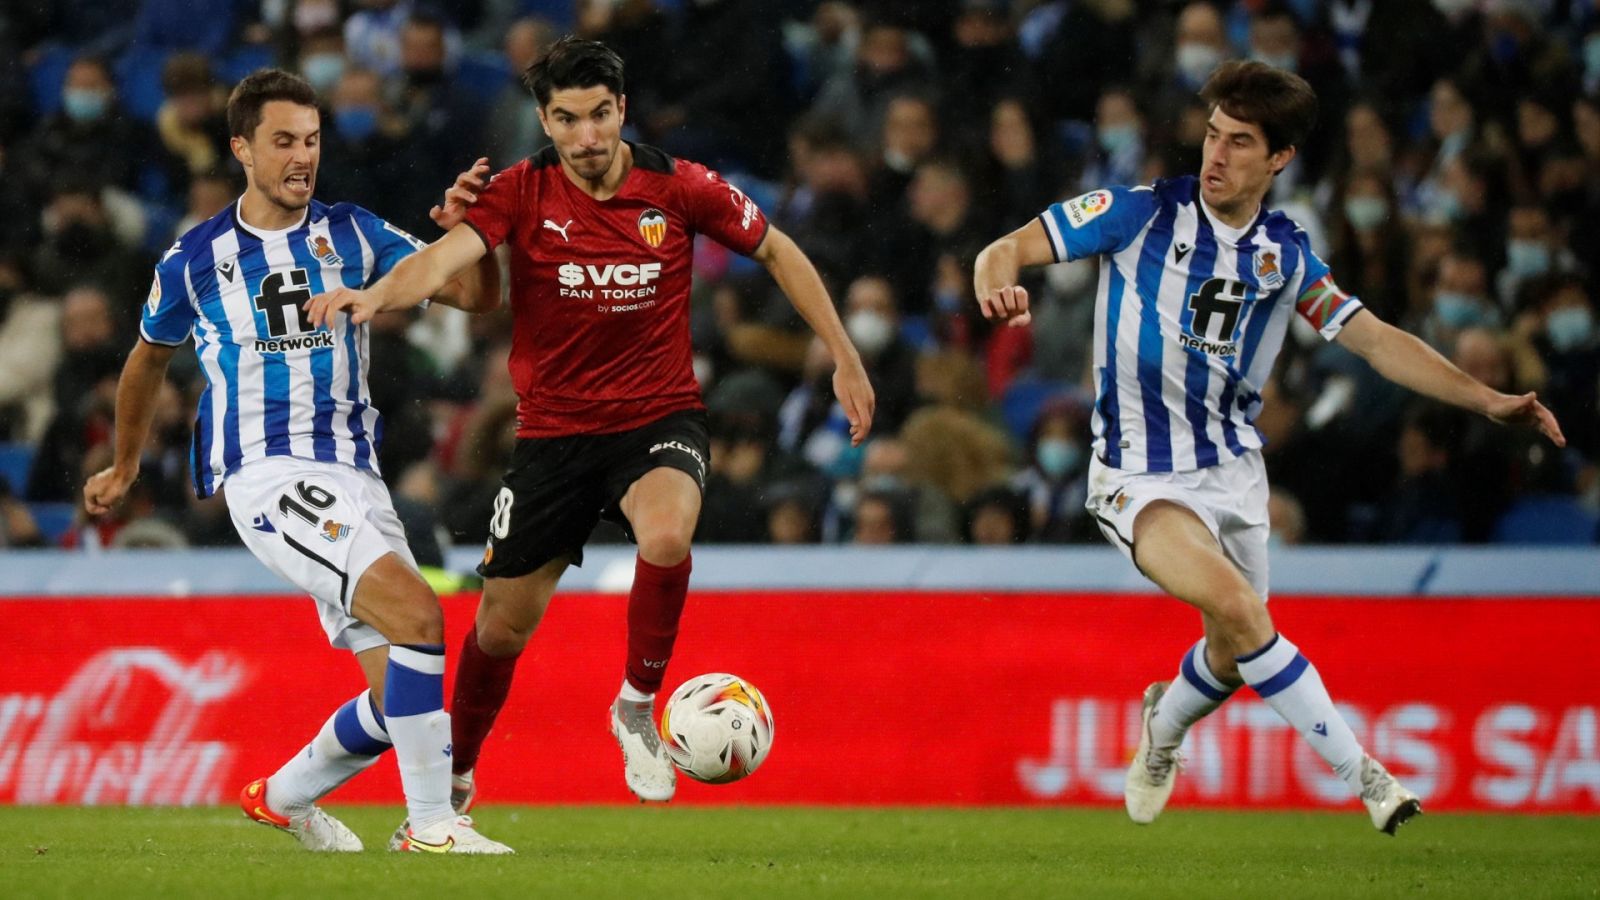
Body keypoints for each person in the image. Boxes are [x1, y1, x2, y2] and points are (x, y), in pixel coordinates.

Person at [973, 60, 1565, 835]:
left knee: (1232, 645)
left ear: (1279, 159)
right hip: (1137, 474)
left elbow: (1377, 341)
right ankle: (1370, 778)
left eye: (1240, 142)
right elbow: (1007, 246)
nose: (1215, 156)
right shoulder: (1138, 212)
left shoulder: (1285, 256)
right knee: (1240, 609)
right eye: (1213, 135)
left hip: (1233, 473)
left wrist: (1486, 399)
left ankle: (1163, 726)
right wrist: (997, 281)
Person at [306, 37, 875, 807]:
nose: (586, 138)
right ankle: (459, 771)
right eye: (567, 120)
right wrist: (377, 296)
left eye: (599, 116)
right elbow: (443, 261)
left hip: (658, 416)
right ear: (544, 119)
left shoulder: (680, 186)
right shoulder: (518, 190)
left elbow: (778, 251)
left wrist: (842, 354)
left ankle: (637, 705)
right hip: (553, 439)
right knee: (502, 628)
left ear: (622, 112)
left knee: (668, 533)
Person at [82, 69, 511, 855]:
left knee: (402, 696)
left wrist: (467, 234)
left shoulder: (353, 231)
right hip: (271, 476)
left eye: (311, 141)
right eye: (283, 141)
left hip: (355, 472)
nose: (301, 157)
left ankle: (283, 796)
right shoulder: (194, 259)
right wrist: (126, 465)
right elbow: (147, 360)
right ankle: (432, 828)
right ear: (242, 148)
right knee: (420, 614)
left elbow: (480, 299)